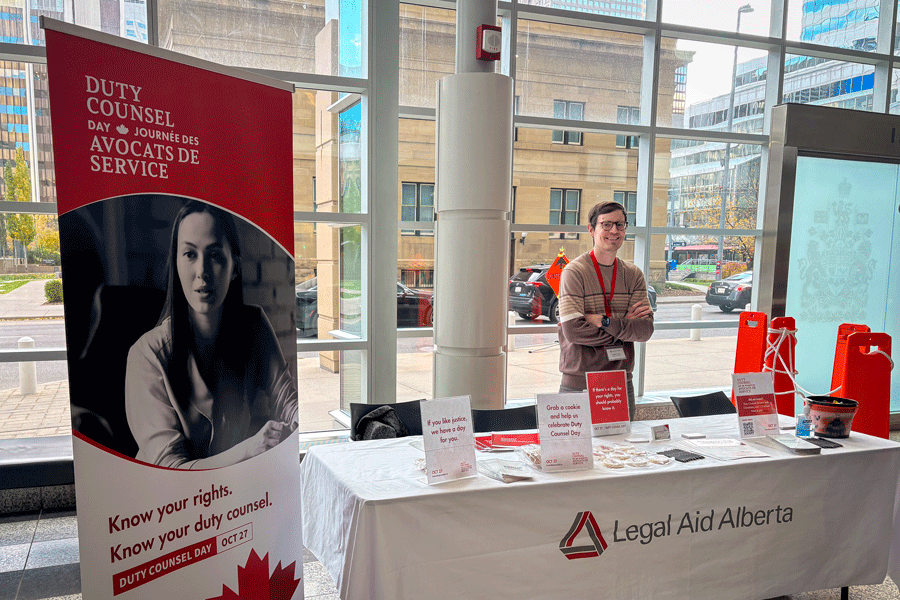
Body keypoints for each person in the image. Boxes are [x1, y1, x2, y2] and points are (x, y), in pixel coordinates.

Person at [125, 201, 298, 469]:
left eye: (215, 255)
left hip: (230, 499)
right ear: (176, 264)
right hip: (164, 505)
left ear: (235, 267)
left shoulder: (254, 326)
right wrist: (250, 449)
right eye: (190, 255)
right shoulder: (146, 356)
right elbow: (173, 471)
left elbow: (288, 403)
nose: (202, 272)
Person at [557, 201, 654, 420]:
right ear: (591, 230)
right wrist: (623, 328)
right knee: (574, 453)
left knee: (624, 451)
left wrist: (604, 321)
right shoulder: (575, 272)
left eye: (620, 225)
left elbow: (645, 330)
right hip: (579, 383)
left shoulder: (633, 274)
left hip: (620, 384)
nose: (614, 231)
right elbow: (573, 330)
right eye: (606, 224)